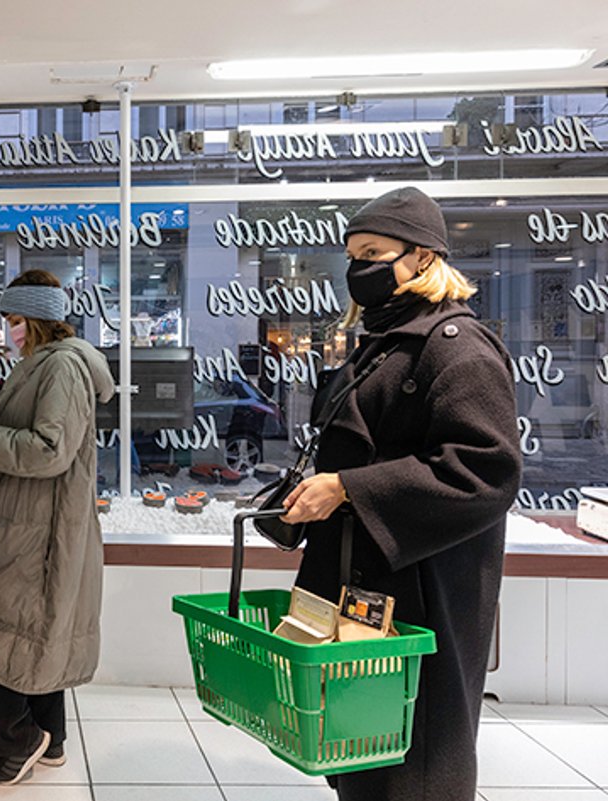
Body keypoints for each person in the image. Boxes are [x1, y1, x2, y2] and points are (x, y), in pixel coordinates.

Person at [280, 186, 522, 801]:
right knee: (363, 751)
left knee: (413, 764)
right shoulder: (382, 345)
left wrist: (348, 489)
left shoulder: (457, 349)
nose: (358, 269)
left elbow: (487, 471)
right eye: (353, 255)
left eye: (374, 252)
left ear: (420, 258)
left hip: (422, 593)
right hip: (362, 587)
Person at [0, 269, 114, 786]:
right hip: (35, 518)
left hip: (37, 524)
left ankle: (19, 739)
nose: (9, 331)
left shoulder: (61, 367)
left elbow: (47, 450)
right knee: (35, 630)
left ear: (38, 321)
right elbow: (29, 423)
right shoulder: (45, 363)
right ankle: (51, 740)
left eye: (16, 321)